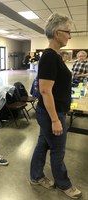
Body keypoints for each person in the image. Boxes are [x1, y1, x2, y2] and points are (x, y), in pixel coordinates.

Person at [30, 13, 82, 199]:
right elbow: (45, 91)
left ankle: (36, 176)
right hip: (52, 114)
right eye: (68, 32)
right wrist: (55, 120)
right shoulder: (49, 57)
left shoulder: (55, 56)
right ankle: (64, 184)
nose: (70, 36)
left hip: (53, 112)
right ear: (57, 33)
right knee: (58, 151)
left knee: (42, 144)